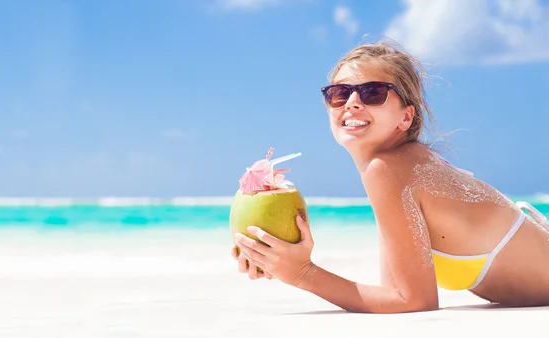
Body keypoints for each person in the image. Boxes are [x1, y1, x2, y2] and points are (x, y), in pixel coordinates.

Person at [231, 40, 549, 314]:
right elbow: (392, 296)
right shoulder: (395, 169)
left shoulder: (387, 171)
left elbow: (414, 301)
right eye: (340, 93)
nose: (353, 102)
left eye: (373, 93)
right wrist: (277, 261)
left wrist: (302, 273)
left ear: (405, 116)